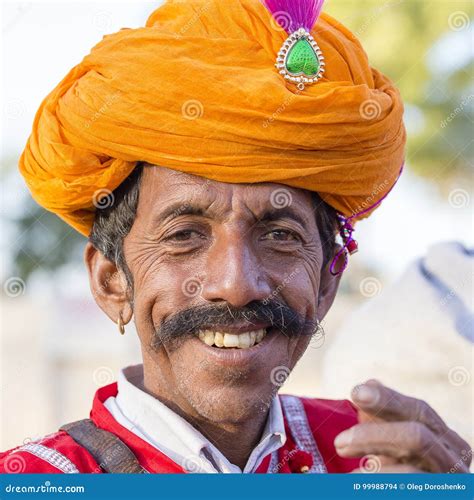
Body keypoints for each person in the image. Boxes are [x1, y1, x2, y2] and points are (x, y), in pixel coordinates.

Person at [1, 0, 469, 474]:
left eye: (280, 235)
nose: (237, 284)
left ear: (328, 282)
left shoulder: (386, 461)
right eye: (184, 235)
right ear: (111, 282)